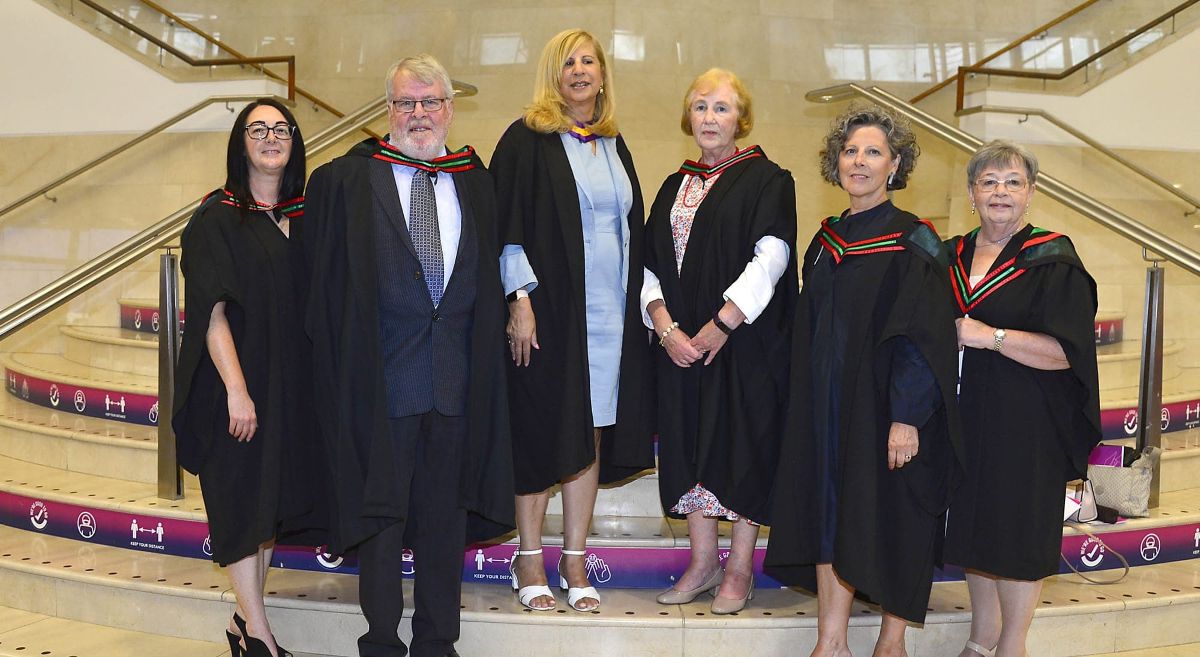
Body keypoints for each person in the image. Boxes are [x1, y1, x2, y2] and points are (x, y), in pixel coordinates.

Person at [302, 55, 514, 657]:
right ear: (388, 110)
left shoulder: (475, 181)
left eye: (429, 103)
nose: (418, 115)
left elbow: (493, 267)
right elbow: (322, 289)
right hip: (382, 378)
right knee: (382, 519)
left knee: (444, 521)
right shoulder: (348, 180)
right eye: (404, 104)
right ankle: (381, 641)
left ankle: (438, 641)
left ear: (450, 108)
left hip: (453, 379)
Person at [765, 104, 962, 657]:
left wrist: (907, 416)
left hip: (885, 411)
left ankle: (891, 642)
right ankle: (831, 641)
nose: (859, 161)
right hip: (827, 411)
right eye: (850, 151)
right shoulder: (827, 240)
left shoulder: (914, 240)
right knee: (831, 515)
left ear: (894, 165)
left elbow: (924, 336)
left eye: (873, 152)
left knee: (894, 516)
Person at [490, 28, 653, 612]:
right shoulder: (525, 139)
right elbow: (505, 227)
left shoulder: (612, 142)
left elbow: (630, 229)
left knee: (590, 432)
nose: (579, 71)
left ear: (603, 74)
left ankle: (575, 559)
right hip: (551, 311)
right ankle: (528, 557)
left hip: (609, 316)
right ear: (553, 75)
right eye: (567, 63)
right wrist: (519, 300)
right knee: (541, 429)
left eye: (588, 61)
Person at [642, 68, 796, 615]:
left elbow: (771, 257)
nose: (710, 117)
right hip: (681, 345)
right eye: (701, 106)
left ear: (741, 118)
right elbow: (649, 264)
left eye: (722, 108)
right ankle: (702, 562)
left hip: (742, 346)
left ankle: (737, 570)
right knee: (690, 447)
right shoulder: (673, 184)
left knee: (740, 445)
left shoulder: (767, 179)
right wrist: (664, 326)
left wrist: (721, 326)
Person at [174, 97, 319, 657]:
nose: (270, 137)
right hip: (232, 387)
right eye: (257, 129)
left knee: (265, 508)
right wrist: (237, 390)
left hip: (284, 389)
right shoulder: (217, 217)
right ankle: (260, 639)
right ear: (240, 143)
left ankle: (244, 622)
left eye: (280, 128)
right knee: (240, 506)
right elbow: (209, 312)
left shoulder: (302, 217)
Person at [944, 140, 1100, 657]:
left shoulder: (1053, 260)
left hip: (1026, 421)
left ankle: (1013, 646)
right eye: (988, 182)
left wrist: (991, 336)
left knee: (1015, 535)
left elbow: (1067, 354)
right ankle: (979, 641)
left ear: (1030, 193)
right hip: (965, 416)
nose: (1000, 192)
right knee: (976, 531)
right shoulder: (950, 255)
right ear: (972, 193)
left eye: (1012, 182)